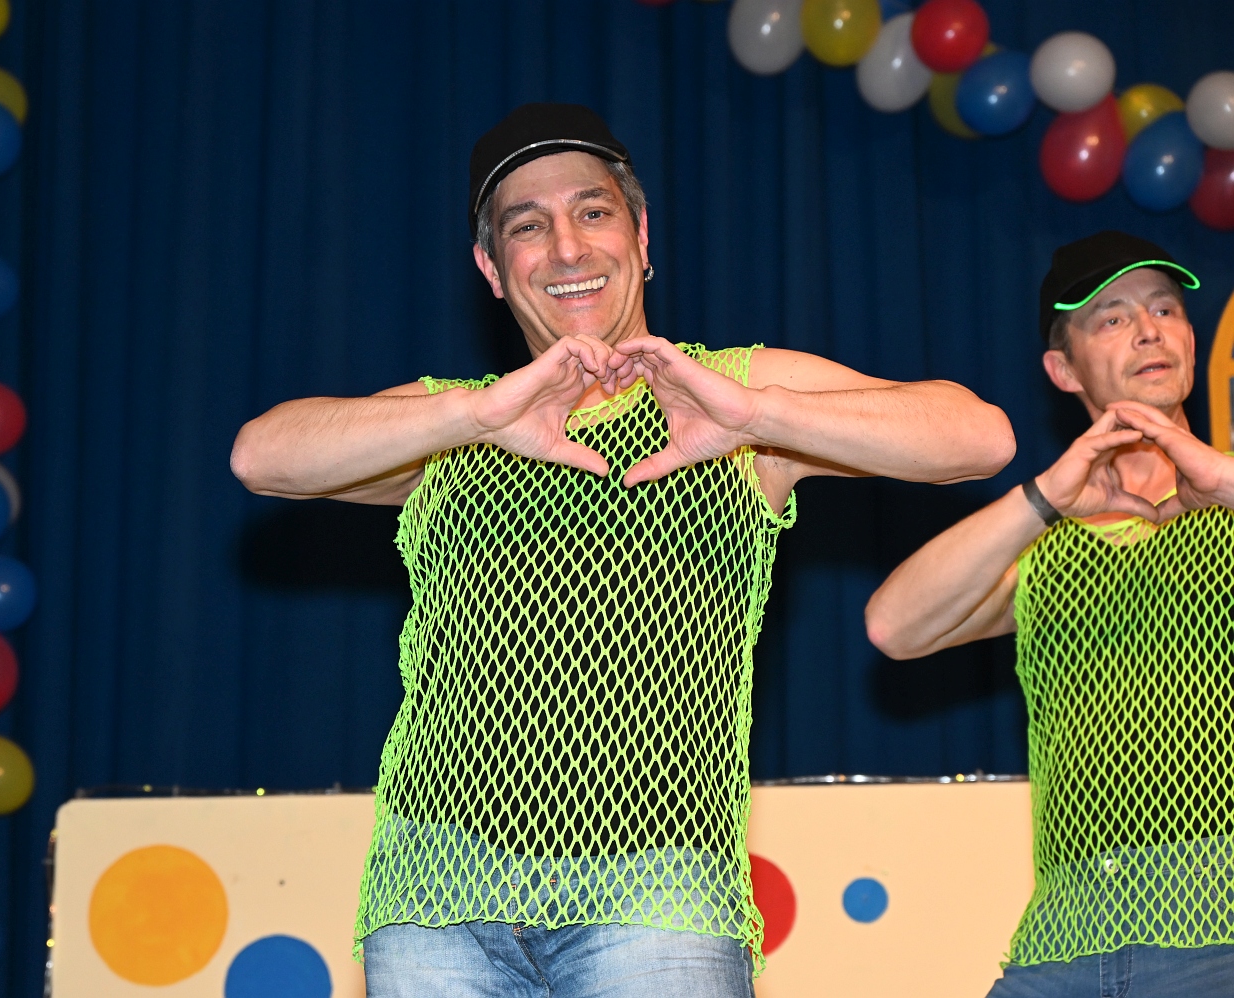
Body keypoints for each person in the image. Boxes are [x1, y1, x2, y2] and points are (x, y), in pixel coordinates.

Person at [232, 103, 1014, 998]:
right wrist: (472, 415)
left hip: (659, 886)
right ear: (492, 270)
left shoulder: (734, 393)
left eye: (593, 211)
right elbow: (262, 457)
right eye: (528, 227)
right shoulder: (456, 421)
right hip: (439, 893)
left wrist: (756, 417)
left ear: (641, 238)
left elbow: (977, 438)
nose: (567, 248)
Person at [866, 230, 1234, 997]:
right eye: (1113, 317)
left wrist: (1223, 482)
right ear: (1063, 370)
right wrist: (1041, 501)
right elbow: (894, 625)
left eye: (1165, 309)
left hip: (1219, 922)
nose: (1148, 330)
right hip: (1066, 936)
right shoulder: (1049, 547)